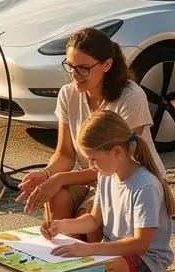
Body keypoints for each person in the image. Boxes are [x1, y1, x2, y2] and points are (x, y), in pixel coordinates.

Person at [41, 110, 174, 272]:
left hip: (146, 261)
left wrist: (89, 249)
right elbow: (94, 220)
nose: (91, 166)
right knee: (77, 268)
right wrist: (62, 225)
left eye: (93, 159)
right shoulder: (106, 176)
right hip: (120, 254)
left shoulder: (144, 185)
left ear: (116, 152)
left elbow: (140, 244)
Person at [19, 27, 164, 221]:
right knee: (57, 199)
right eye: (70, 66)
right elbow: (65, 153)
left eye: (83, 68)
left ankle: (90, 249)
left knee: (87, 217)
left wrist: (59, 178)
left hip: (125, 179)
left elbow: (118, 163)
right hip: (92, 175)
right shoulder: (67, 94)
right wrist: (45, 174)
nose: (74, 74)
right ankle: (61, 246)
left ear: (107, 65)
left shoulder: (131, 96)